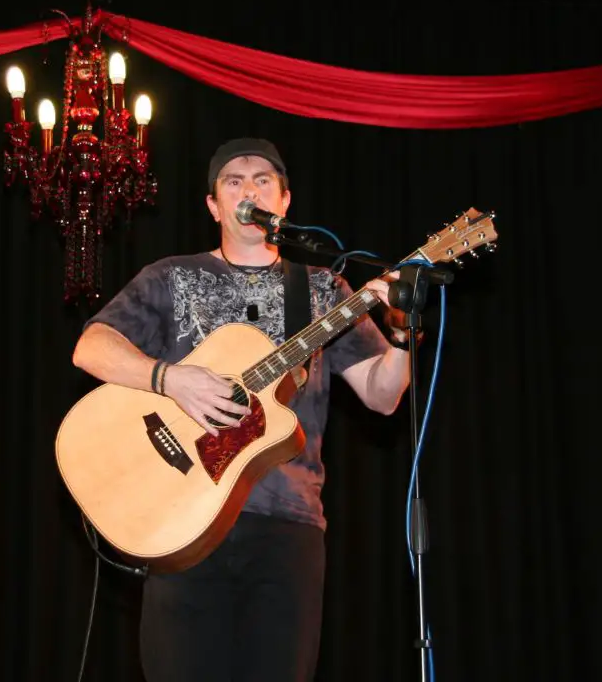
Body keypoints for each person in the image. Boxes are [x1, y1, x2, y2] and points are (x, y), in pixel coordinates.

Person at [71, 137, 414, 682]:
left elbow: (381, 394)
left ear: (284, 202)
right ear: (213, 205)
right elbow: (91, 348)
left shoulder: (324, 290)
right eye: (233, 181)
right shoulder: (170, 276)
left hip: (288, 526)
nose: (248, 189)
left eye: (262, 181)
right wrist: (170, 378)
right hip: (182, 520)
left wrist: (402, 331)